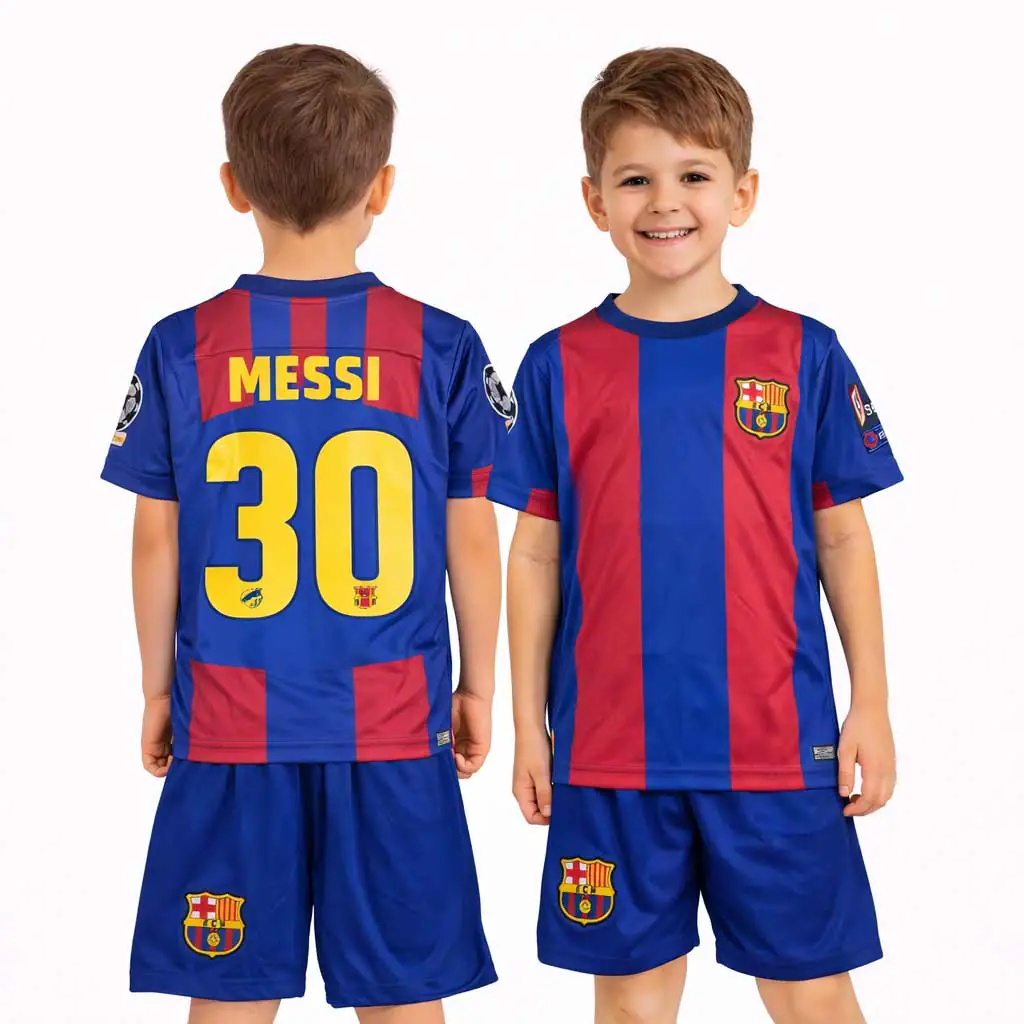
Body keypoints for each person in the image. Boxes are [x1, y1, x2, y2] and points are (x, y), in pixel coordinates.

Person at [488, 47, 902, 1024]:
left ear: (742, 193)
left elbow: (843, 542)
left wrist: (872, 703)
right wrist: (529, 726)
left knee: (809, 991)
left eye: (694, 175)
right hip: (610, 752)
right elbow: (535, 554)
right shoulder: (557, 363)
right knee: (632, 1005)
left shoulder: (802, 353)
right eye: (635, 178)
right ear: (594, 200)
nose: (665, 202)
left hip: (775, 747)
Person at [101, 43, 506, 1024]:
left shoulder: (183, 346)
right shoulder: (439, 346)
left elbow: (156, 541)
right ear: (382, 188)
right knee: (405, 999)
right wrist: (479, 685)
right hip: (392, 725)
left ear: (234, 186)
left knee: (229, 994)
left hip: (231, 721)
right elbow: (471, 534)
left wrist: (157, 689)